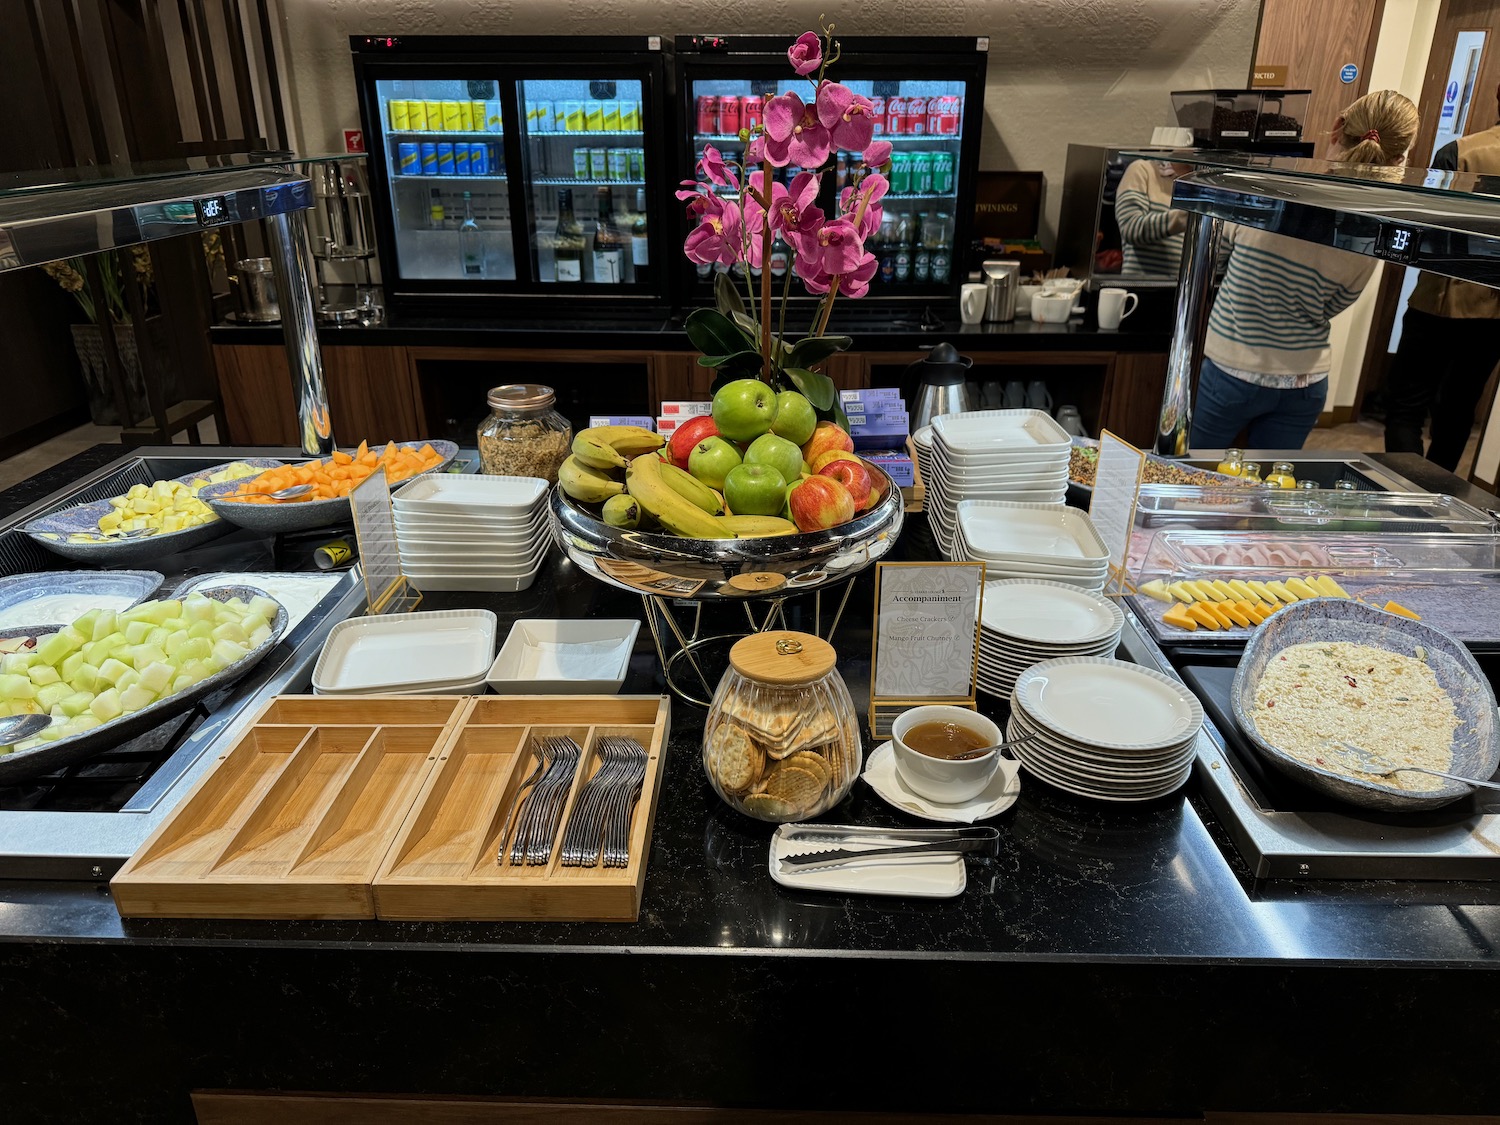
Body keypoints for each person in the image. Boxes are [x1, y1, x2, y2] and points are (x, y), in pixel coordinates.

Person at [1190, 90, 1420, 450]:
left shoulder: (1269, 191)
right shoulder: (1369, 230)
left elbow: (1212, 263)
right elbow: (1336, 304)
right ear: (1399, 158)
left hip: (1232, 369)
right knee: (1269, 494)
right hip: (1305, 381)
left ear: (1335, 129)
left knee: (1189, 477)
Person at [1383, 83, 1500, 471]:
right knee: (1459, 410)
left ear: (1497, 97)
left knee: (1406, 405)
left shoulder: (1460, 151)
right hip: (1493, 312)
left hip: (1437, 300)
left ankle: (1407, 490)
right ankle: (1437, 493)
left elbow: (1428, 227)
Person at [1114, 159, 1190, 276]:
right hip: (1141, 289)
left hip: (1187, 291)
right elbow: (1130, 227)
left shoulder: (1212, 184)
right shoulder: (1143, 170)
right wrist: (1186, 218)